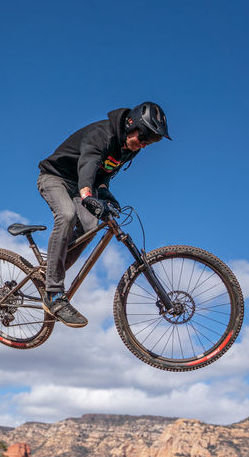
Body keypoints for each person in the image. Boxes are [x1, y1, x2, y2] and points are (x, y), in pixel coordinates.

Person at [37, 102, 171, 327]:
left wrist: (105, 194)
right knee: (68, 216)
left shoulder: (128, 148)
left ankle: (49, 271)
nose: (145, 145)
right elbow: (88, 164)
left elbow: (104, 172)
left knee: (91, 227)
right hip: (55, 178)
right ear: (131, 125)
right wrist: (88, 194)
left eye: (151, 142)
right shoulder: (100, 134)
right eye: (144, 138)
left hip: (81, 185)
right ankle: (53, 295)